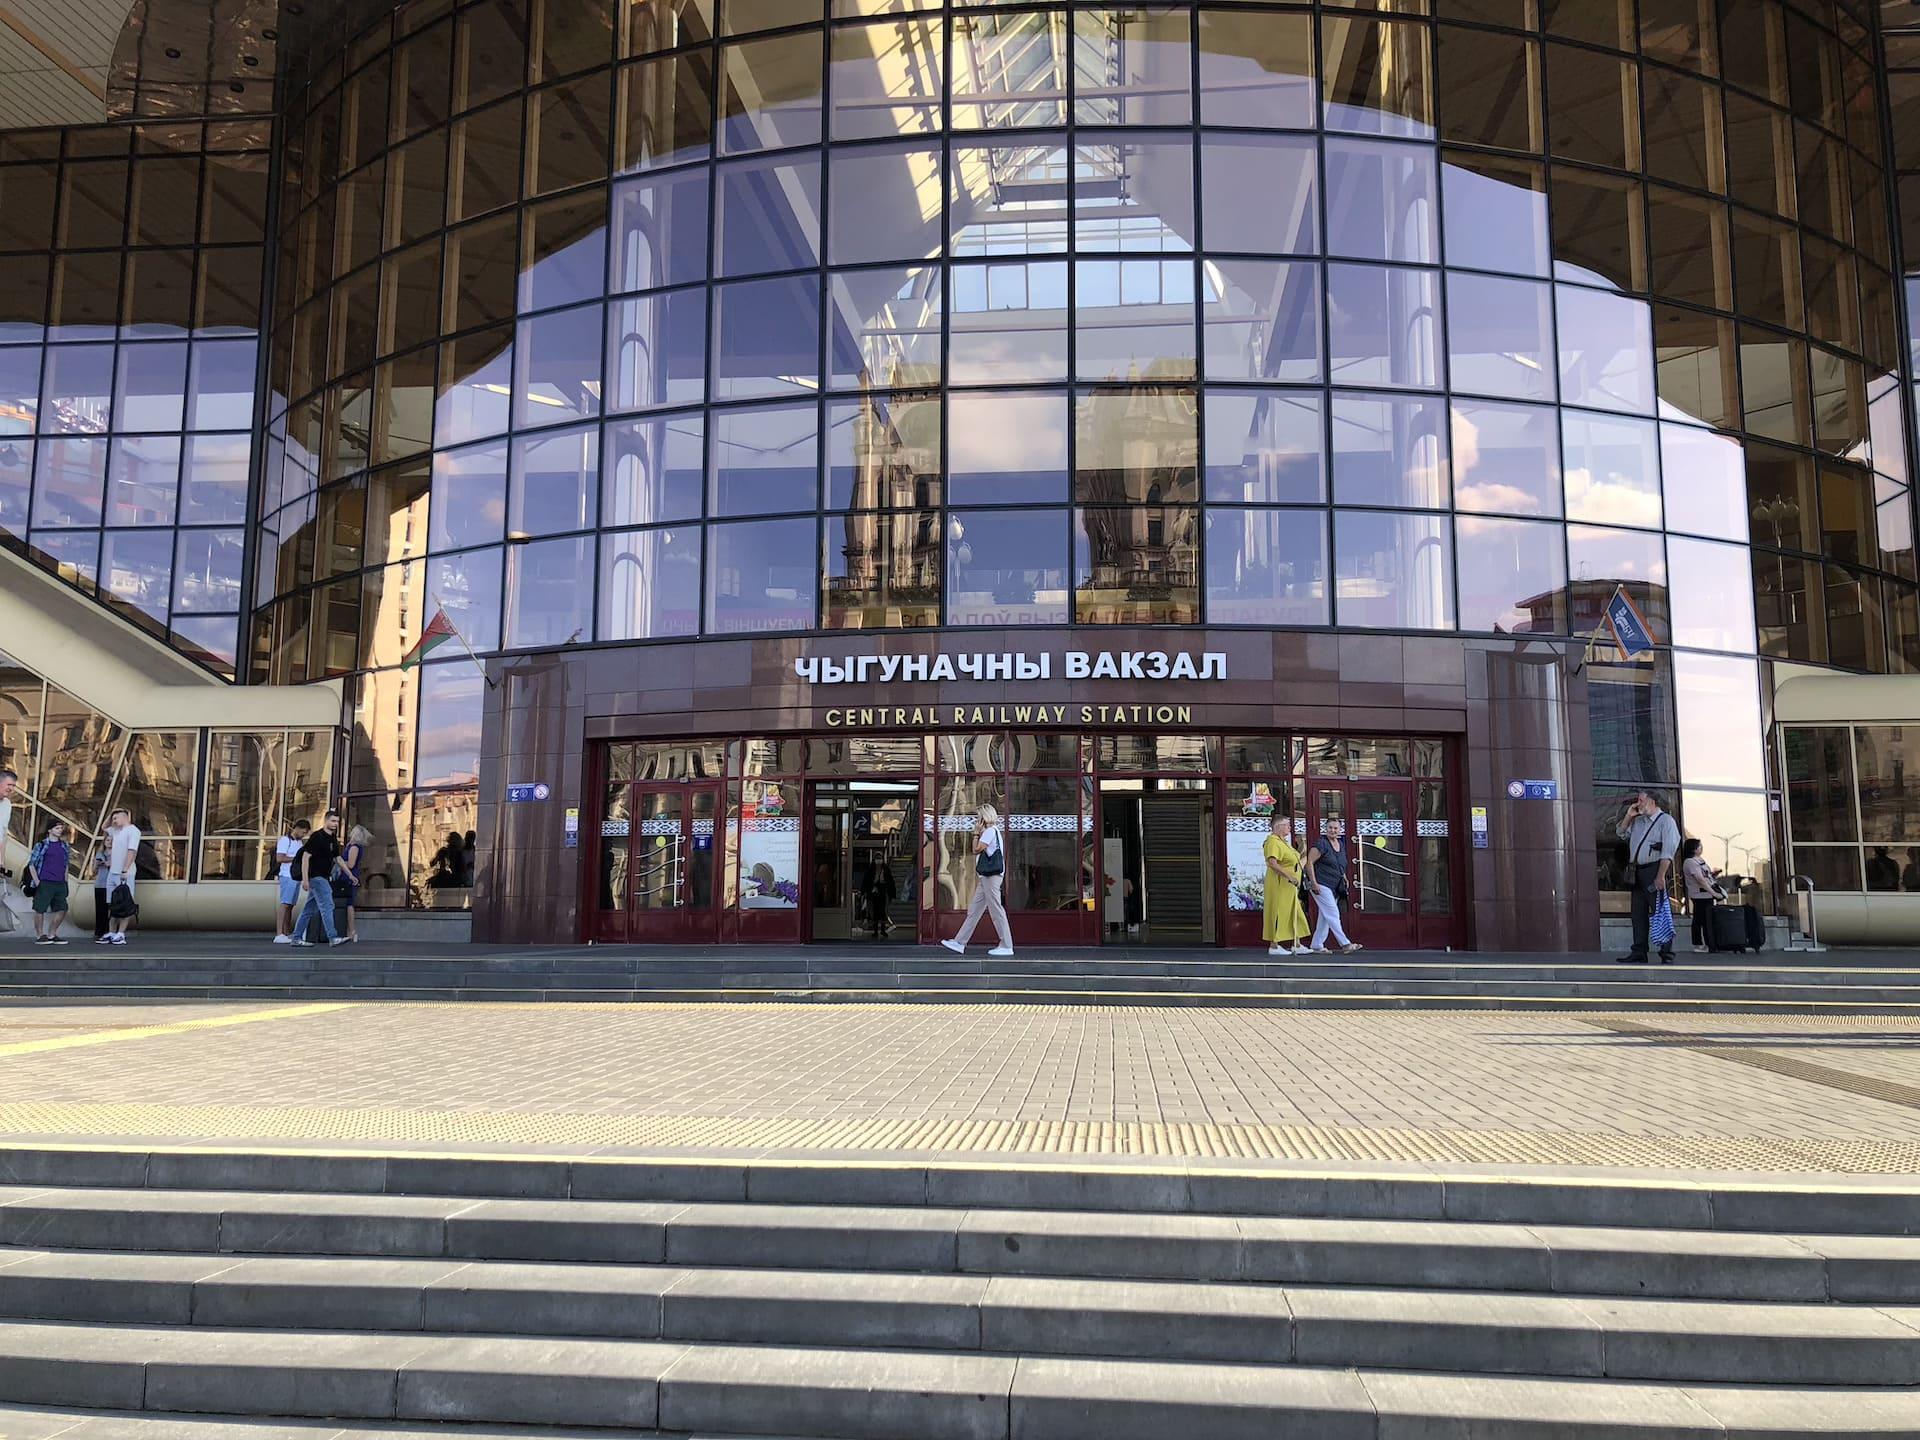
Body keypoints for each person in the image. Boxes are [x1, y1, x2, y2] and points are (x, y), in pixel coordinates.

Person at [1615, 792, 1680, 964]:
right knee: (1638, 914)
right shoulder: (1638, 821)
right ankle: (1639, 950)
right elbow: (1621, 833)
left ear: (1652, 801)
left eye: (1641, 800)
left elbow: (1668, 852)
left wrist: (1660, 876)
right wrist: (1629, 816)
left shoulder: (1666, 822)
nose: (1639, 803)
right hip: (1637, 871)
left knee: (1660, 912)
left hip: (1654, 870)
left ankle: (1666, 953)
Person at [941, 803, 1013, 956]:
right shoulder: (994, 831)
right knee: (974, 910)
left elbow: (975, 849)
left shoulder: (988, 832)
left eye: (978, 816)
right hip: (986, 877)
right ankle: (960, 942)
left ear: (984, 817)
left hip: (991, 878)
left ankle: (1007, 945)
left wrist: (975, 833)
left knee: (996, 910)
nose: (976, 819)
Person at [291, 809, 350, 947]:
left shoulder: (332, 838)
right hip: (316, 877)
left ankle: (296, 937)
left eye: (337, 821)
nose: (335, 824)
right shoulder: (317, 837)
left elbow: (338, 858)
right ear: (326, 821)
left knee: (309, 909)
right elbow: (306, 857)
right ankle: (332, 936)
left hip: (322, 876)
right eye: (333, 821)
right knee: (327, 905)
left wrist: (350, 874)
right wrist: (305, 879)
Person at [1305, 817, 1363, 954]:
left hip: (1335, 886)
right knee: (1333, 914)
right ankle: (1345, 944)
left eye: (1336, 828)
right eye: (1330, 827)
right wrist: (1313, 883)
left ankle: (1317, 945)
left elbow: (1339, 863)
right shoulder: (1321, 844)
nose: (1333, 830)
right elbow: (1309, 863)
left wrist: (1344, 877)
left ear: (1340, 830)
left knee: (1325, 916)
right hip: (1321, 884)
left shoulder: (1340, 844)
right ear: (1326, 829)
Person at [1262, 816, 1310, 956]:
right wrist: (1289, 877)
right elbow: (1272, 863)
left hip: (1289, 886)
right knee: (1278, 912)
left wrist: (1304, 847)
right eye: (1287, 825)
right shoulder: (1273, 842)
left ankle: (1296, 943)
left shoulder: (1283, 842)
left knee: (1294, 912)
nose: (1290, 827)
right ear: (1278, 827)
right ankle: (1274, 945)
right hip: (1279, 884)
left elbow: (1296, 860)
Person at [100, 808, 141, 946]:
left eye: (116, 818)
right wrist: (111, 812)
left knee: (125, 903)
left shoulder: (133, 831)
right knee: (112, 903)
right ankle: (112, 932)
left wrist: (125, 869)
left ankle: (121, 933)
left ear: (125, 817)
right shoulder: (116, 830)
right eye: (113, 819)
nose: (114, 821)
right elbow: (103, 827)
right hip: (113, 872)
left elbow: (132, 851)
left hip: (125, 873)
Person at [27, 819, 70, 945]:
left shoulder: (65, 845)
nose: (60, 830)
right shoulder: (41, 845)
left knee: (62, 908)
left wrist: (66, 881)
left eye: (61, 828)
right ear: (50, 830)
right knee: (40, 909)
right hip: (45, 881)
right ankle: (40, 935)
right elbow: (32, 864)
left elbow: (66, 864)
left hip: (60, 882)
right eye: (57, 828)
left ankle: (52, 933)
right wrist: (37, 882)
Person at [1680, 837, 1725, 954]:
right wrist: (1713, 892)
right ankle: (1698, 944)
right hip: (1699, 895)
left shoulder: (1700, 860)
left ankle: (1710, 943)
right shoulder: (1690, 862)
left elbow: (1705, 877)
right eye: (1699, 846)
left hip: (1707, 894)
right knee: (1700, 919)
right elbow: (1700, 879)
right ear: (1694, 849)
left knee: (1707, 920)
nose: (1701, 848)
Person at [272, 820, 310, 944]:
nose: (303, 835)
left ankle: (286, 932)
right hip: (287, 875)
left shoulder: (299, 842)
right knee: (285, 904)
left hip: (295, 876)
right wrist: (296, 859)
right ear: (298, 828)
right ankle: (279, 933)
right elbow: (280, 858)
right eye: (303, 832)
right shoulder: (285, 840)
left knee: (290, 905)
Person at [339, 824, 369, 942]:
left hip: (349, 877)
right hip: (349, 877)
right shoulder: (353, 846)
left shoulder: (354, 847)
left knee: (349, 904)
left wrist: (339, 862)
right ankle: (350, 931)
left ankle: (351, 931)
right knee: (348, 903)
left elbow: (350, 864)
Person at [864, 855, 897, 939]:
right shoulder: (871, 870)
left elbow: (890, 881)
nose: (878, 861)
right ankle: (875, 931)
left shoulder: (885, 869)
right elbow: (866, 880)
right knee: (874, 912)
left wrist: (891, 893)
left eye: (880, 859)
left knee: (883, 912)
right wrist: (866, 890)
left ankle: (882, 930)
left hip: (883, 891)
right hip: (873, 892)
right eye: (877, 859)